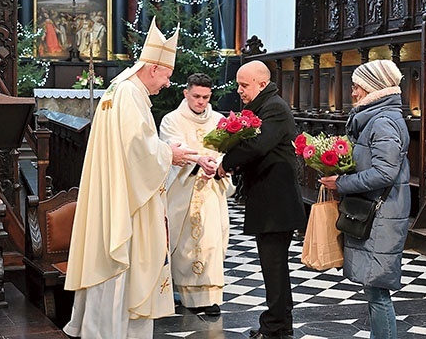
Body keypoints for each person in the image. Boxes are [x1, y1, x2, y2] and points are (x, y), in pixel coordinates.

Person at [64, 17, 196, 339]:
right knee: (124, 261)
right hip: (127, 200)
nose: (166, 84)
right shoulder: (130, 95)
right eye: (166, 75)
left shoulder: (117, 89)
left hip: (117, 192)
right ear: (153, 68)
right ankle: (115, 332)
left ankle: (101, 328)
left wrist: (161, 149)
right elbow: (139, 150)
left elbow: (131, 147)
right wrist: (170, 154)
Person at [319, 59, 410, 339]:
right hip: (376, 212)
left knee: (377, 291)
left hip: (382, 215)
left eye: (357, 86)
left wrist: (342, 183)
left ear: (373, 88)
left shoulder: (382, 122)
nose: (353, 92)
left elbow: (384, 172)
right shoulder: (375, 119)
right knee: (373, 288)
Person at [217, 60, 306, 339]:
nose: (240, 91)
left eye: (244, 85)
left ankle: (274, 327)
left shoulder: (274, 108)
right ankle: (280, 325)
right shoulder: (263, 106)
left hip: (276, 202)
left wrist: (225, 163)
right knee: (275, 266)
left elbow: (258, 145)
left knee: (274, 266)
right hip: (269, 200)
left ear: (261, 84)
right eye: (239, 85)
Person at [159, 73, 235, 317]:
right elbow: (174, 150)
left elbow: (226, 149)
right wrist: (200, 162)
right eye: (196, 96)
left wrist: (218, 165)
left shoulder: (219, 119)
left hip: (211, 189)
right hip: (184, 190)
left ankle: (211, 297)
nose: (201, 101)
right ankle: (182, 294)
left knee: (213, 240)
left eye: (205, 97)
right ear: (186, 93)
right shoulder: (172, 120)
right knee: (183, 245)